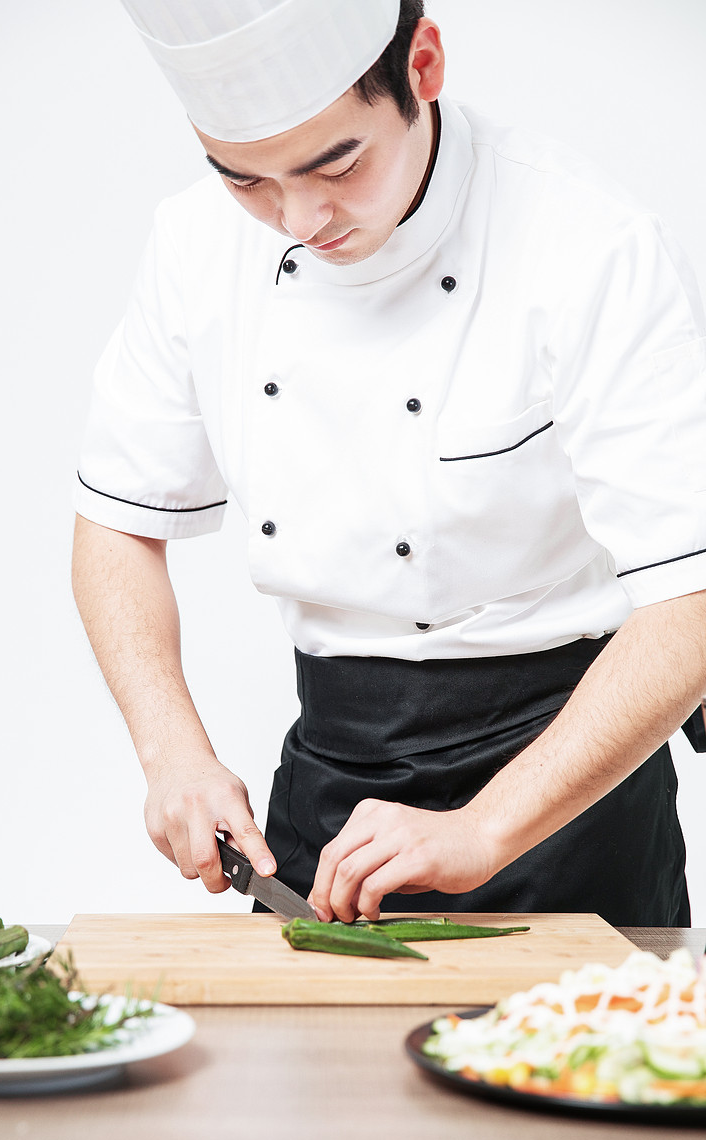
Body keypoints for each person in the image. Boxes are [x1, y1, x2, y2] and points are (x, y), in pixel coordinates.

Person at [72, 0, 706, 927]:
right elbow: (119, 522)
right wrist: (173, 752)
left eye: (338, 164)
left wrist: (485, 827)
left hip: (573, 787)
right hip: (329, 785)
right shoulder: (196, 241)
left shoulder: (588, 243)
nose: (297, 218)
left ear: (424, 65)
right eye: (244, 178)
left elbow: (691, 596)